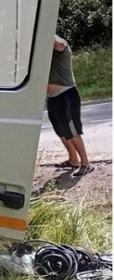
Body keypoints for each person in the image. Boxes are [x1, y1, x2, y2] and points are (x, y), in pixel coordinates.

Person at [47, 35, 94, 177]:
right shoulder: (43, 53)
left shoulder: (60, 44)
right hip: (53, 98)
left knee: (72, 131)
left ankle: (86, 163)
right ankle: (73, 160)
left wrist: (45, 31)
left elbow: (60, 44)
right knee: (61, 131)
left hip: (67, 95)